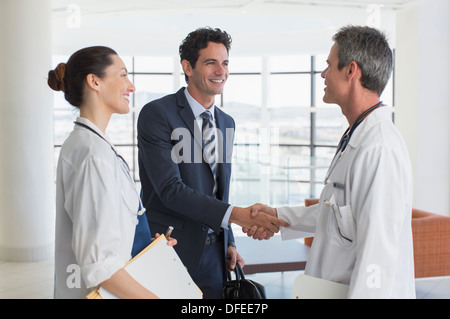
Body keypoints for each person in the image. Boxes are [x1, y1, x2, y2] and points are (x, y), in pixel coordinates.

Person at [245, 26, 415, 298]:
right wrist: (279, 216)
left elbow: (378, 258)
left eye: (328, 65)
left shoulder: (379, 149)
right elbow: (338, 212)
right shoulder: (357, 136)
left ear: (351, 71)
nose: (323, 74)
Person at [137, 27, 288, 299]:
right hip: (170, 249)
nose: (221, 71)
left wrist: (228, 240)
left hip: (215, 255)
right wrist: (238, 215)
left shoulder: (226, 122)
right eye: (211, 62)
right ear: (187, 67)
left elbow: (220, 190)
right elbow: (170, 189)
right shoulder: (158, 114)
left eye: (225, 62)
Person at [50, 46, 176, 299]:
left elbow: (105, 234)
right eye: (122, 75)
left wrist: (143, 245)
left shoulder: (93, 146)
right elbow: (99, 267)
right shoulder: (92, 154)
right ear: (95, 81)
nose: (131, 86)